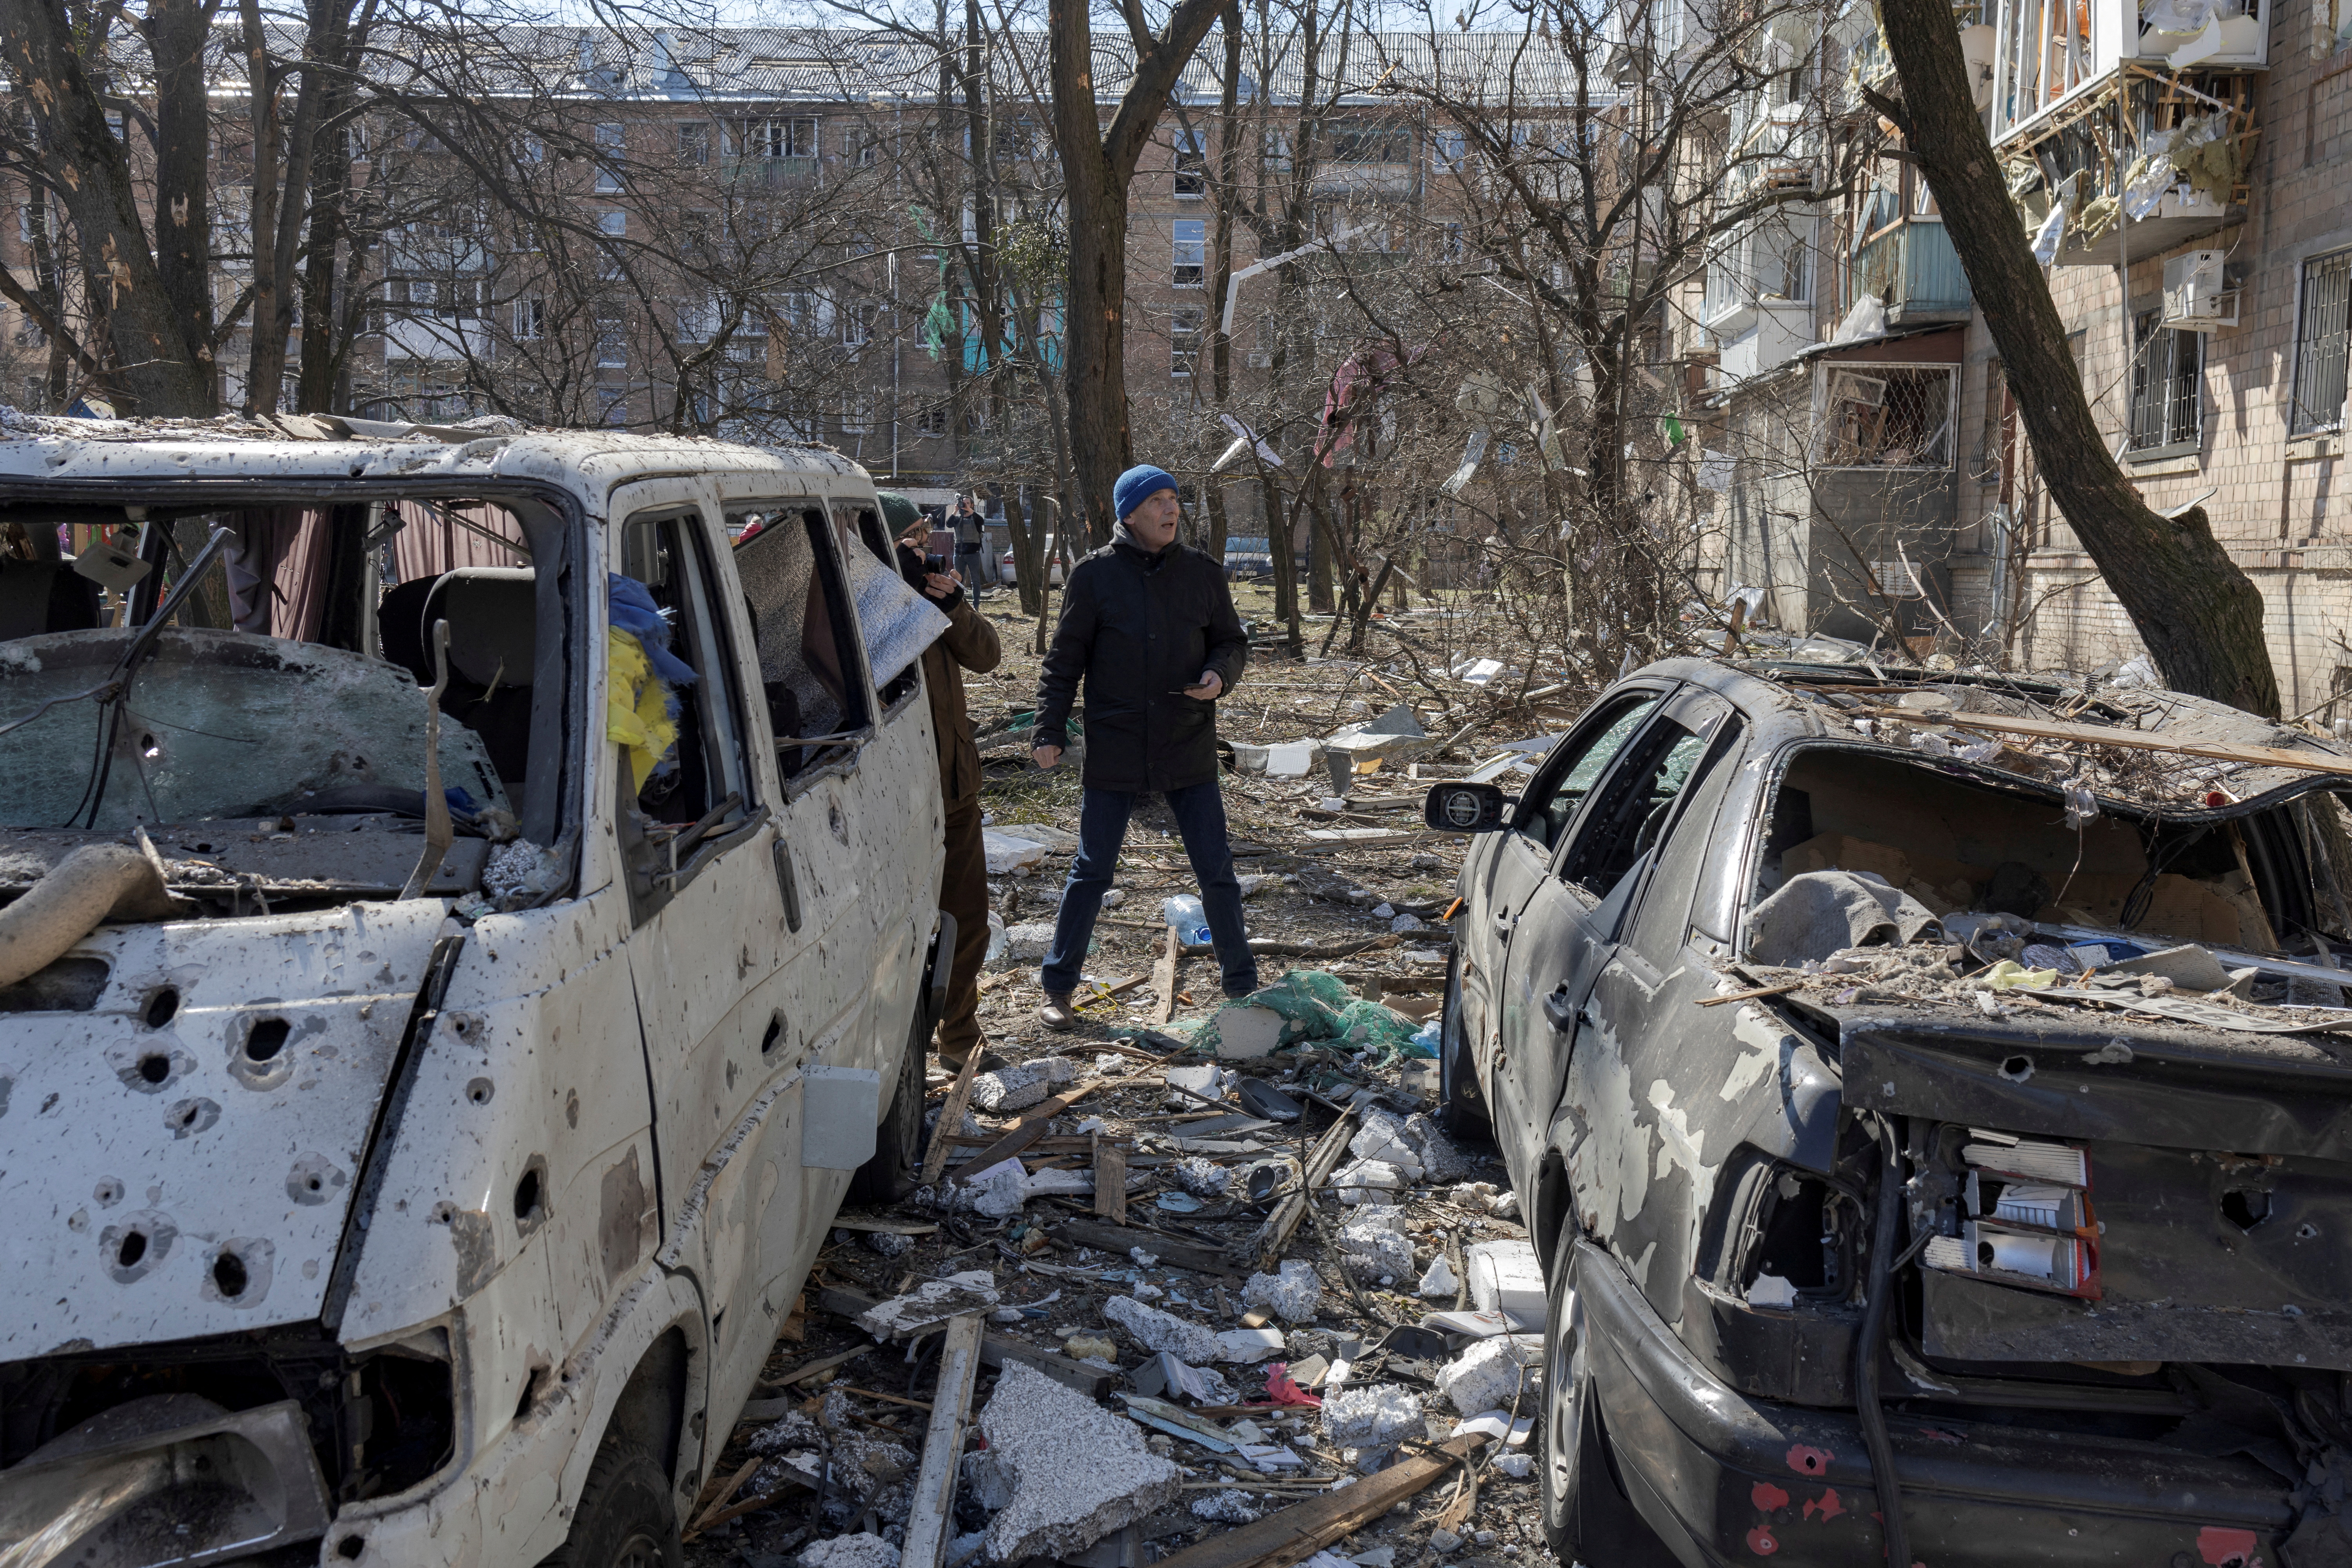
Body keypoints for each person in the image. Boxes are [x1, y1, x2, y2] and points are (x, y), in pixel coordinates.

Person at [1030, 465, 1253, 1029]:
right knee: (1091, 873)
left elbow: (1231, 640)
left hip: (1188, 741)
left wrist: (1219, 675)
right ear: (1129, 513)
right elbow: (1064, 664)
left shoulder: (1203, 574)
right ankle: (1057, 988)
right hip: (1118, 745)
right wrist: (1048, 730)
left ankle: (1242, 987)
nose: (1171, 509)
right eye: (1157, 500)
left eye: (1175, 498)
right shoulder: (1094, 577)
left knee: (1216, 870)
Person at [884, 490, 1004, 1071]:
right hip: (891, 804)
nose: (925, 549)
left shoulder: (938, 598)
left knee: (966, 920)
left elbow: (987, 656)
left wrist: (954, 604)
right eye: (911, 540)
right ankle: (894, 1050)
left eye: (926, 536)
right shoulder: (856, 603)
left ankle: (959, 1035)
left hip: (955, 787)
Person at [951, 495, 987, 597]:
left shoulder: (975, 518)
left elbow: (981, 522)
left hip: (973, 555)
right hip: (959, 555)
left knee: (975, 581)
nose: (965, 505)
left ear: (972, 505)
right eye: (964, 503)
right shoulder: (958, 518)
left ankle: (976, 606)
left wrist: (969, 510)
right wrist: (955, 511)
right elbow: (949, 524)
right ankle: (959, 603)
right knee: (958, 581)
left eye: (968, 503)